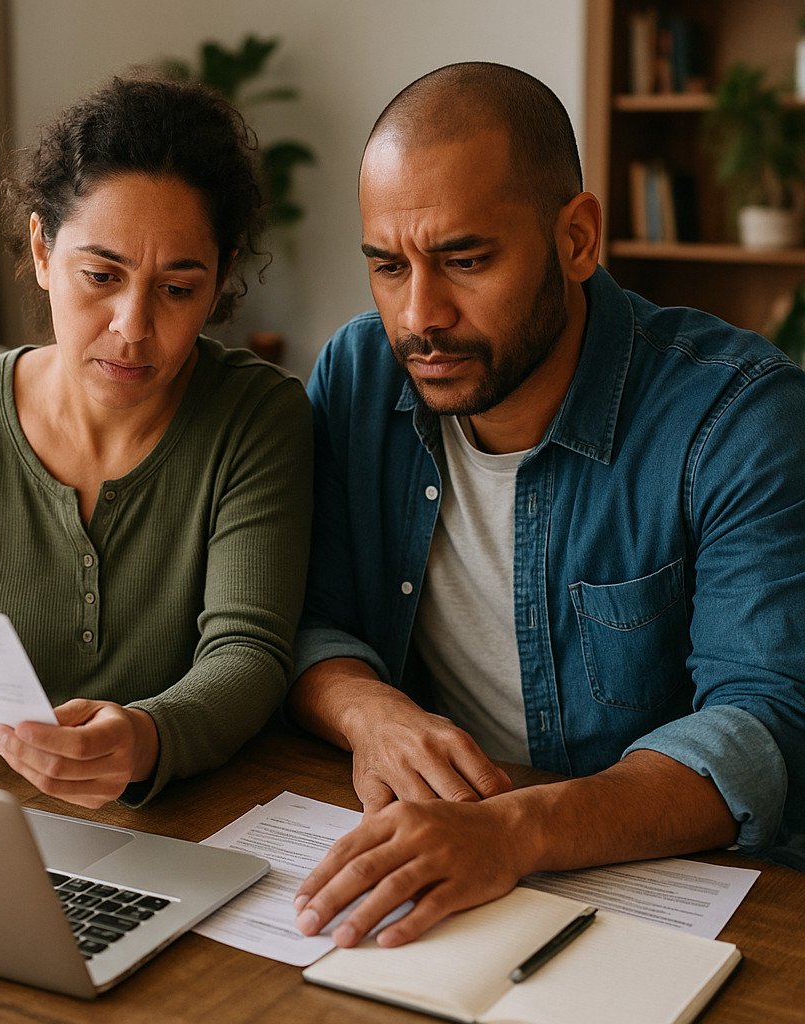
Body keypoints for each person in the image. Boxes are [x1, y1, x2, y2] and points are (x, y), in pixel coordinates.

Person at [290, 61, 805, 950]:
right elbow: (306, 616)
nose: (420, 315)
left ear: (576, 238)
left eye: (465, 259)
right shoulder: (358, 375)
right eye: (386, 265)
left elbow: (765, 724)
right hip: (437, 866)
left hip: (677, 900)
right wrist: (367, 710)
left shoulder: (741, 416)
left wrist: (511, 831)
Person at [0, 75, 313, 809]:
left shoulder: (257, 417)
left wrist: (142, 736)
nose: (133, 326)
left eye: (177, 289)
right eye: (100, 275)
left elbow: (248, 653)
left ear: (221, 278)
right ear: (43, 250)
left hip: (179, 816)